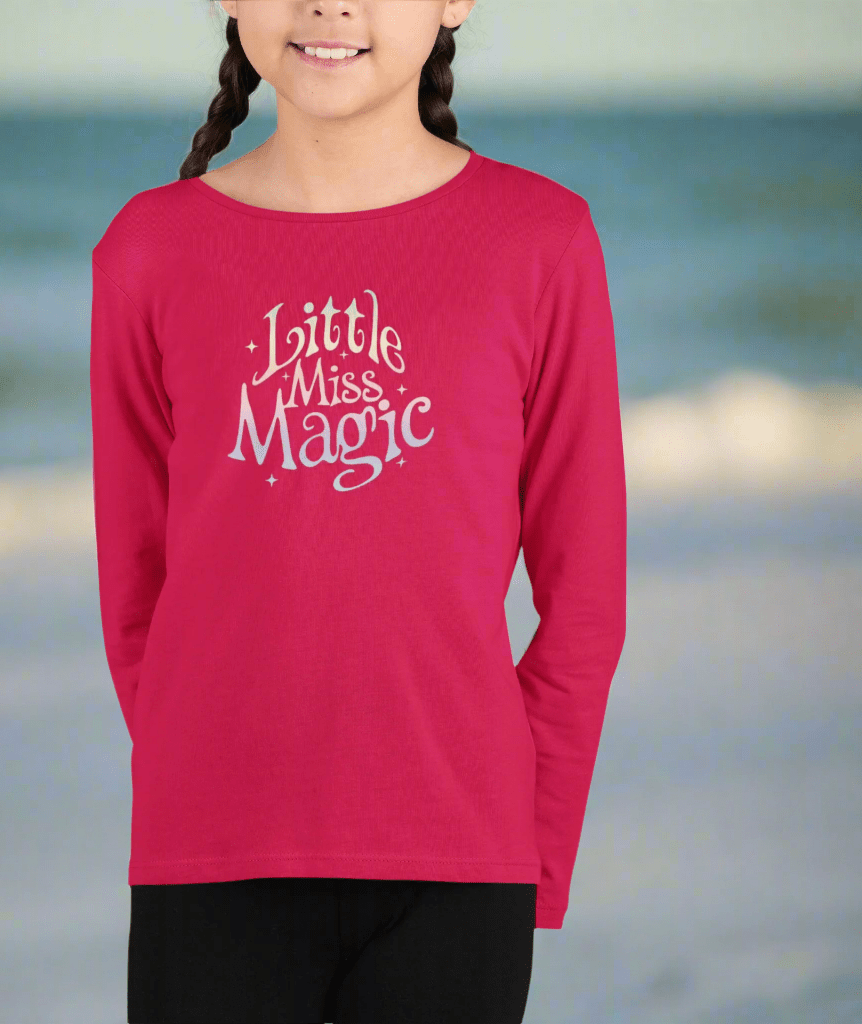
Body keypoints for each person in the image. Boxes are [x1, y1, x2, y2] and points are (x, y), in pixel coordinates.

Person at [89, 1, 627, 1021]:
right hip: (207, 861)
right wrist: (203, 790)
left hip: (459, 865)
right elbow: (136, 593)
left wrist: (529, 848)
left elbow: (585, 598)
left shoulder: (541, 241)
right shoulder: (146, 251)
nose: (329, 5)